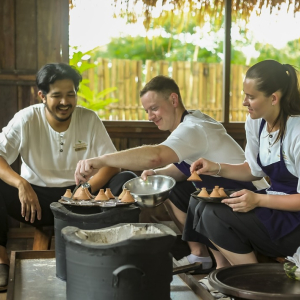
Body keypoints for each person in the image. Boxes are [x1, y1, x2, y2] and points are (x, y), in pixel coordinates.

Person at [74, 75, 268, 273]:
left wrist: (100, 160)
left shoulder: (193, 127)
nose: (150, 116)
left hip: (251, 195)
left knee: (204, 203)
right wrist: (158, 173)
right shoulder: (187, 123)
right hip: (223, 190)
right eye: (147, 111)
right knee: (169, 185)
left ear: (174, 100)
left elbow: (156, 156)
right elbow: (186, 168)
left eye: (154, 108)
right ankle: (201, 255)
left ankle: (231, 270)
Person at [0, 63, 136, 291]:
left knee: (128, 180)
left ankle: (120, 255)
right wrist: (21, 183)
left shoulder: (89, 119)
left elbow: (113, 164)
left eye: (70, 94)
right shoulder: (26, 119)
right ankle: (1, 261)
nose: (65, 102)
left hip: (83, 200)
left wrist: (85, 190)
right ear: (41, 95)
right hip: (36, 201)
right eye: (57, 96)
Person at [190, 60, 300, 269]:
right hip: (275, 205)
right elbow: (253, 170)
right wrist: (216, 168)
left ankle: (253, 282)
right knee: (200, 203)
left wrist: (258, 200)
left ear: (274, 98)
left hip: (294, 221)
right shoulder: (256, 122)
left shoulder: (297, 132)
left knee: (214, 215)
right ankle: (231, 275)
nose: (244, 102)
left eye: (251, 97)